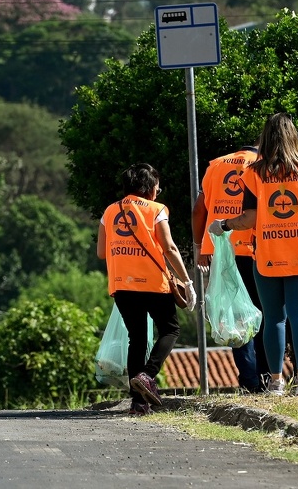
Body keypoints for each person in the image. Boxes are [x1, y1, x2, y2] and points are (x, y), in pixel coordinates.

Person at [209, 113, 298, 397]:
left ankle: (275, 381)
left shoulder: (255, 174)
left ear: (265, 138)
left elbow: (249, 218)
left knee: (274, 317)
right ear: (294, 137)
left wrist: (225, 224)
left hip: (267, 256)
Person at [97, 163, 197, 416]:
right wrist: (187, 282)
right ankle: (148, 374)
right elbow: (170, 247)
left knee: (137, 339)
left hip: (121, 284)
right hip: (152, 283)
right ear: (148, 187)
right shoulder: (157, 210)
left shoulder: (109, 211)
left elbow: (101, 252)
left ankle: (138, 404)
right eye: (157, 186)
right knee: (170, 329)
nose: (158, 190)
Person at [192, 144, 269, 393]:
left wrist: (198, 245)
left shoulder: (215, 166)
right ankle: (267, 377)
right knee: (263, 312)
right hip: (254, 249)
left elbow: (198, 209)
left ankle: (249, 381)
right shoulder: (262, 165)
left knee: (236, 316)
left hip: (221, 250)